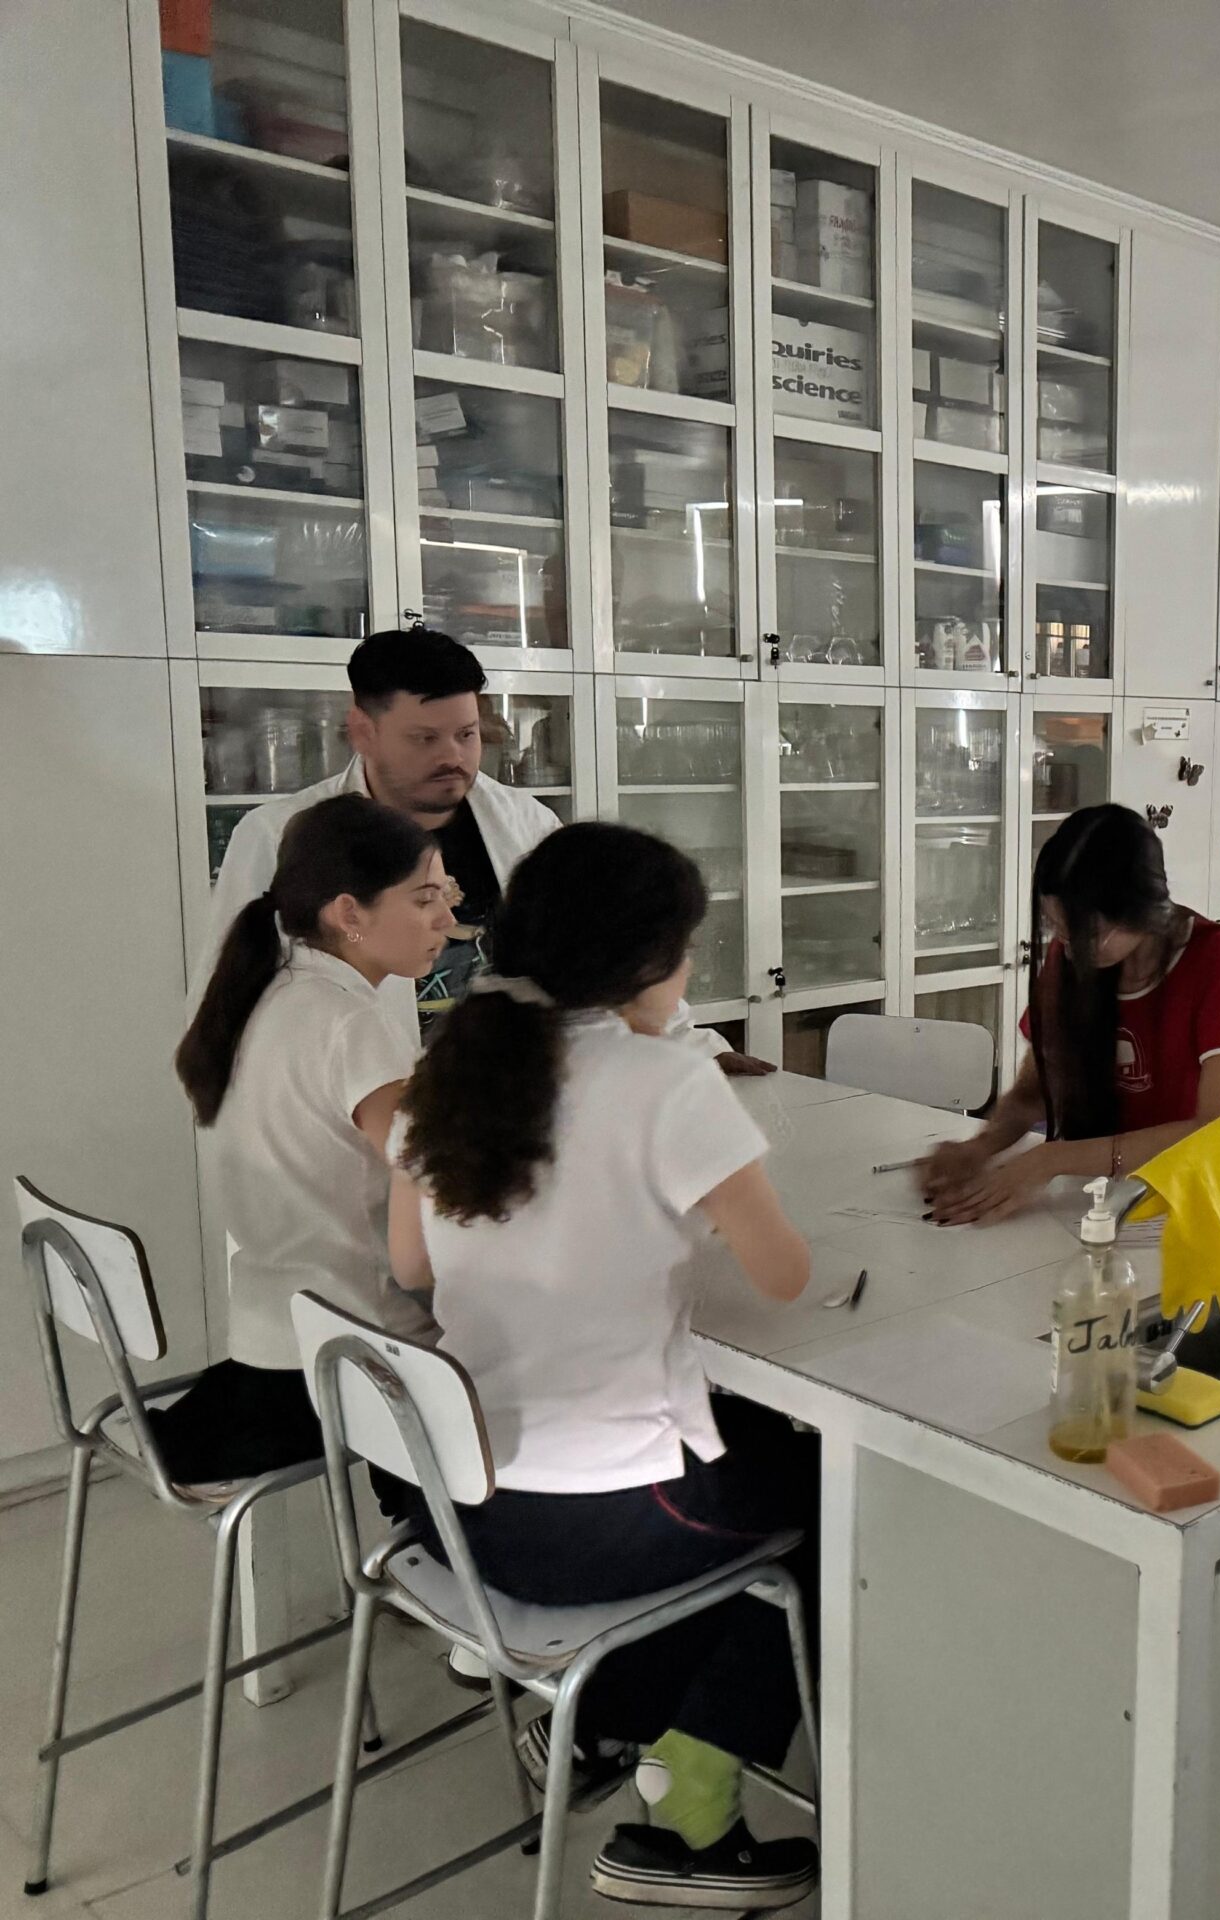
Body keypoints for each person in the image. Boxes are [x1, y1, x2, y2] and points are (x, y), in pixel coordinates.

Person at [389, 823, 817, 1910]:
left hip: (460, 1506)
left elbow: (409, 1265)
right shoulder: (667, 1081)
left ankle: (603, 1721)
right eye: (687, 951)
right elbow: (784, 1276)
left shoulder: (452, 1066)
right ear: (645, 962)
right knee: (831, 1498)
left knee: (753, 1461)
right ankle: (693, 1799)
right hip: (602, 1522)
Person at [200, 627, 766, 1072]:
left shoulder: (524, 821)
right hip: (354, 1113)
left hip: (506, 1103)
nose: (453, 757)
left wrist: (695, 1047)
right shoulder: (278, 835)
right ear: (363, 731)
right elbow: (230, 1000)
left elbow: (599, 948)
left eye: (466, 734)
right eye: (424, 738)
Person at [160, 796, 453, 1482]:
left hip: (270, 1337)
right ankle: (428, 1523)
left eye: (448, 896)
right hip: (353, 1359)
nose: (446, 919)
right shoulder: (351, 1024)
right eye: (424, 899)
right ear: (350, 913)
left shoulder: (267, 993)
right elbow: (434, 1188)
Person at [921, 805, 1220, 1225]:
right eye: (1058, 929)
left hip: (1184, 1204)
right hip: (1091, 1197)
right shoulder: (1071, 956)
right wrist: (979, 1148)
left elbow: (1217, 1128)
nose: (1068, 947)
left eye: (1086, 933)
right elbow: (1033, 1093)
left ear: (1140, 911)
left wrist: (1052, 1159)